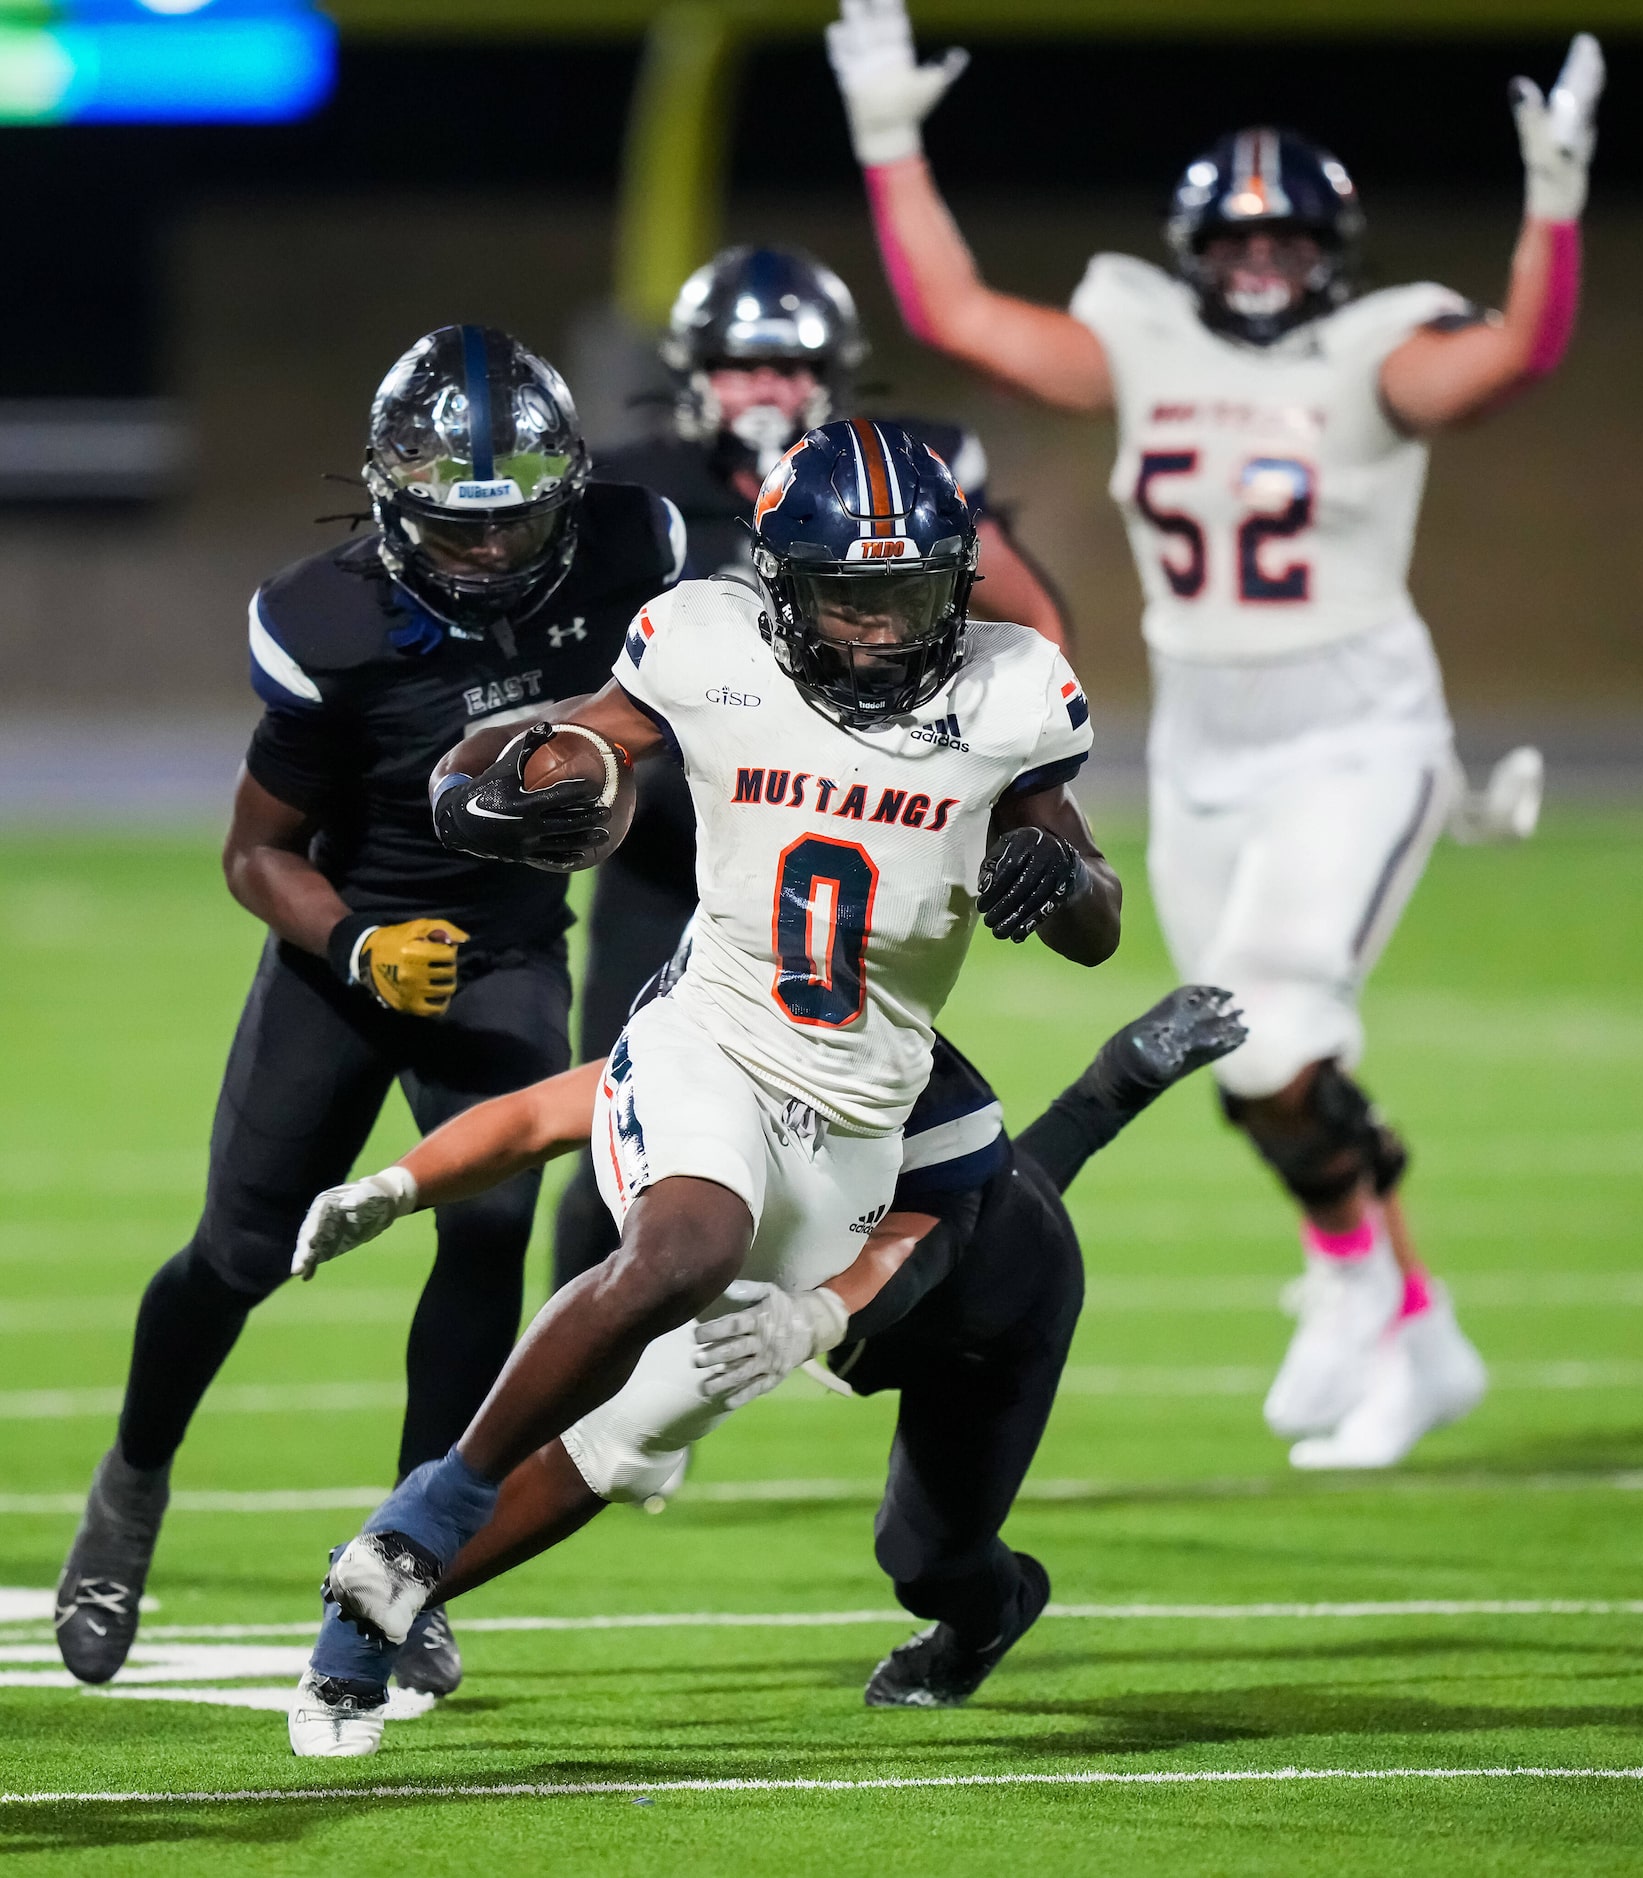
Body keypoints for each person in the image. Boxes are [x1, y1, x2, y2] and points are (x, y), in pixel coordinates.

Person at [825, 0, 1604, 1468]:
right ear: (1197, 254)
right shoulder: (1145, 333)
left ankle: (1364, 1287)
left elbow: (1513, 358)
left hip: (1351, 726)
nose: (1258, 265)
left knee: (1279, 1035)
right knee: (1241, 1039)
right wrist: (885, 133)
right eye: (1236, 243)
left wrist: (1551, 201)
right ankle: (1399, 1316)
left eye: (1283, 242)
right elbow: (956, 316)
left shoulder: (1376, 348)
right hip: (1201, 739)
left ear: (1330, 253)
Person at [284, 417, 1122, 1750]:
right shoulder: (706, 643)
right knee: (682, 1242)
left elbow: (1095, 914)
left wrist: (1064, 883)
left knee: (630, 1432)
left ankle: (369, 1605)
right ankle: (427, 1508)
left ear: (954, 589)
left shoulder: (1011, 690)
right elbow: (571, 745)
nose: (873, 634)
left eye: (904, 599)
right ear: (781, 588)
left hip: (856, 1109)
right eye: (844, 599)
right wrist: (510, 777)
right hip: (710, 1029)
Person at [53, 326, 685, 1694]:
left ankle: (409, 1556)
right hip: (345, 957)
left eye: (512, 520)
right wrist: (353, 945)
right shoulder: (327, 618)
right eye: (452, 528)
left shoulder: (637, 553)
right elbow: (252, 853)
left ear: (564, 497)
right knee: (235, 1253)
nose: (485, 554)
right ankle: (128, 1493)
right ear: (390, 502)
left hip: (508, 954)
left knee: (491, 1236)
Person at [284, 972, 1244, 1750]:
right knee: (612, 1432)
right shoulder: (706, 1032)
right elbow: (540, 1118)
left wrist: (819, 1313)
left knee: (926, 1559)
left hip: (979, 1314)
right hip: (804, 1275)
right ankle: (383, 1592)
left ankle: (995, 1613)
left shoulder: (915, 1092)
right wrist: (399, 1185)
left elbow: (935, 1236)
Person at [556, 243, 1071, 1294]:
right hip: (674, 850)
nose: (766, 388)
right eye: (743, 365)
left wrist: (987, 760)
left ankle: (809, 1325)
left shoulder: (904, 475)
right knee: (612, 1135)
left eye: (788, 367)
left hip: (855, 842)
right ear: (695, 373)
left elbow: (1031, 621)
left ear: (831, 374)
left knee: (853, 1137)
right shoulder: (633, 484)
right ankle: (590, 1377)